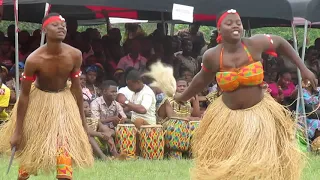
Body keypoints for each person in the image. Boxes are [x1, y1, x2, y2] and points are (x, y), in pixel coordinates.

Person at [173, 9, 317, 180]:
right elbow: (201, 79)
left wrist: (304, 68)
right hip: (227, 119)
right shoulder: (212, 56)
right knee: (227, 168)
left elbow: (279, 42)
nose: (235, 26)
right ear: (219, 30)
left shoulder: (254, 44)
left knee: (261, 167)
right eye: (229, 23)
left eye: (238, 23)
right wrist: (182, 97)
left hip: (259, 118)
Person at [0, 13, 94, 180]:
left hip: (64, 103)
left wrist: (82, 123)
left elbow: (77, 90)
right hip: (39, 103)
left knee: (64, 148)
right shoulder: (34, 59)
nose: (61, 28)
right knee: (29, 157)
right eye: (55, 25)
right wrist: (18, 131)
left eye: (63, 25)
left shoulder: (75, 55)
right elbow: (24, 96)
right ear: (44, 29)